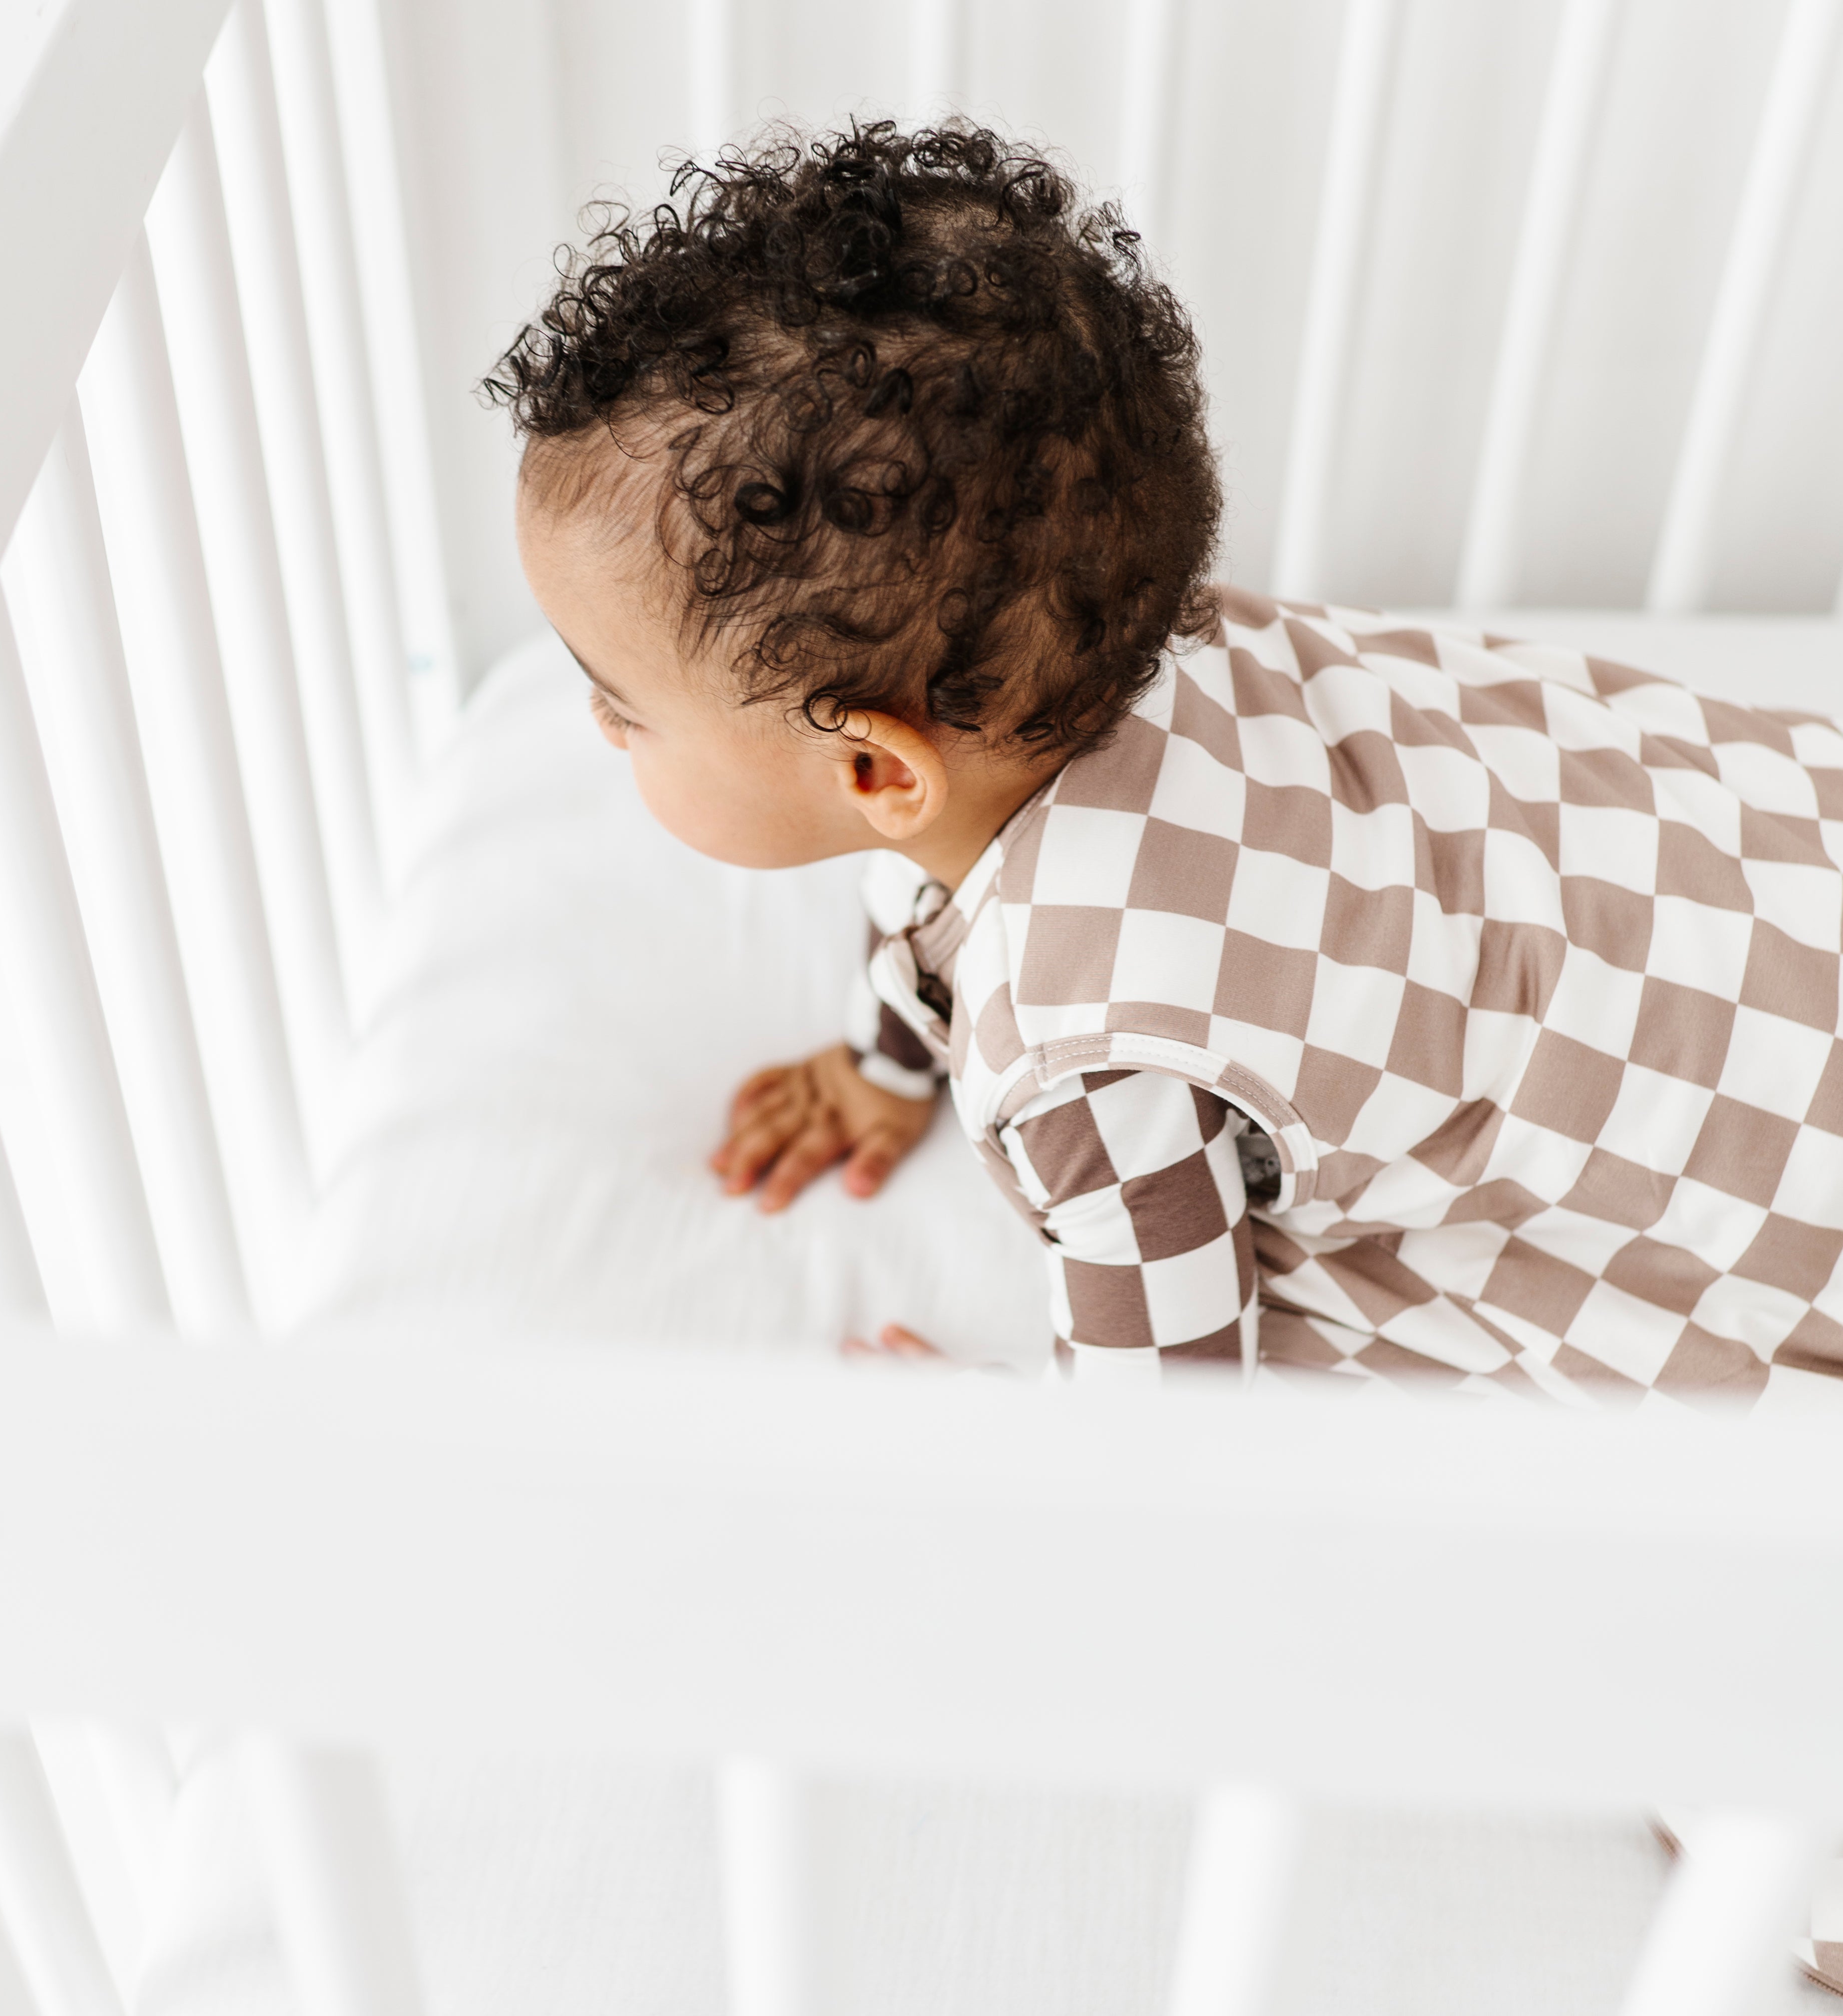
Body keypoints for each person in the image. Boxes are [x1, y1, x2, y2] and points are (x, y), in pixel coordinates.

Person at [491, 120, 1843, 1403]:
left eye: (619, 700)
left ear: (876, 776)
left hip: (1785, 1172)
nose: (602, 728)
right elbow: (922, 907)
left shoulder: (1094, 1058)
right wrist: (883, 1070)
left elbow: (1171, 1414)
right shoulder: (1125, 636)